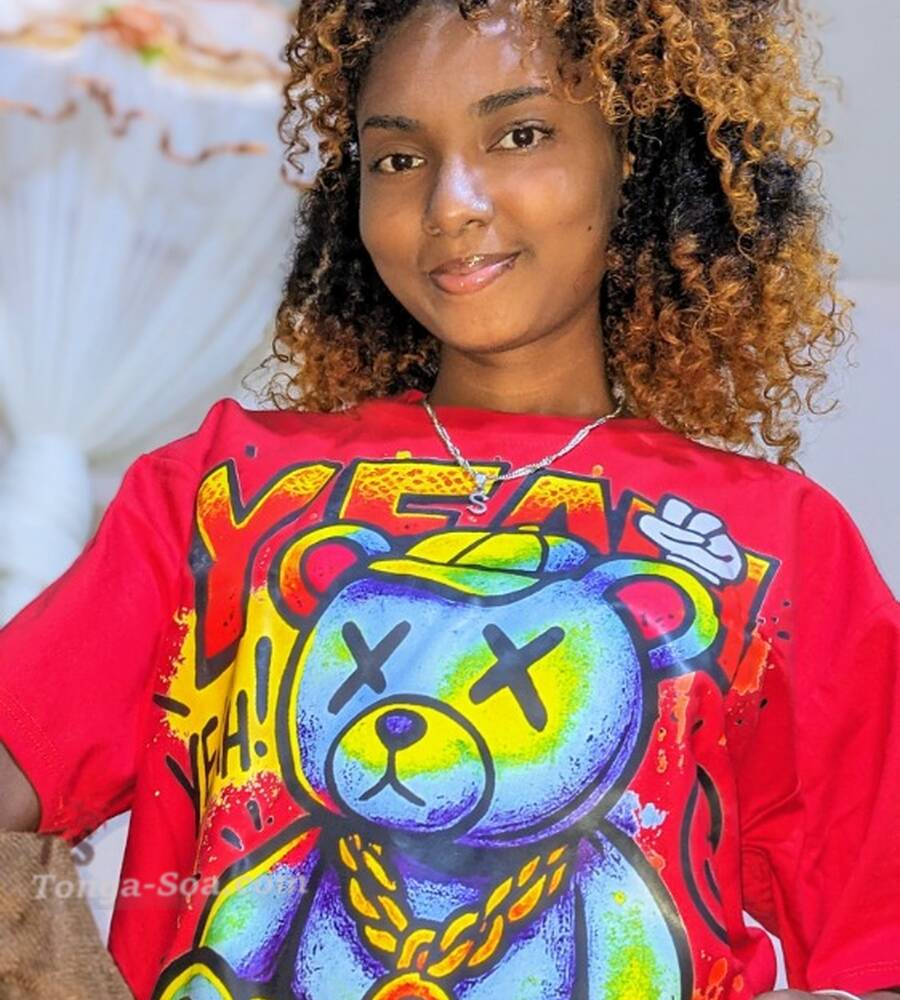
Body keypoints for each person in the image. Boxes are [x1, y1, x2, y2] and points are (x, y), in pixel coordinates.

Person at [0, 0, 897, 998]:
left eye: (520, 134)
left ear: (632, 158)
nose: (450, 203)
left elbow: (878, 936)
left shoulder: (777, 543)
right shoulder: (224, 490)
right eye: (397, 158)